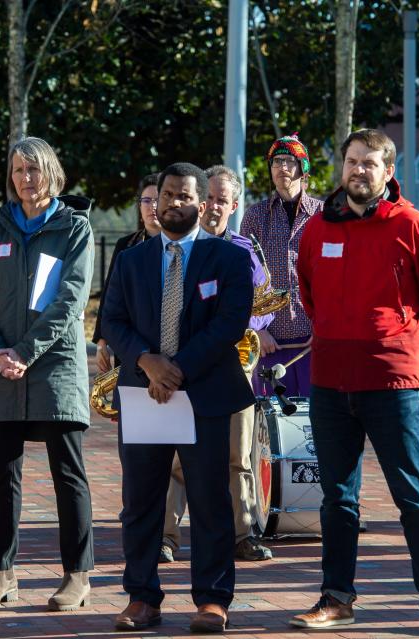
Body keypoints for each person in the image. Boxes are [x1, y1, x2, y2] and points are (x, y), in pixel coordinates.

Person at [293, 129, 419, 634]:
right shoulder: (318, 229)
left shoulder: (415, 227)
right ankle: (336, 598)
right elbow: (309, 297)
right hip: (329, 383)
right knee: (337, 499)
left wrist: (402, 346)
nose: (358, 171)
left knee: (413, 495)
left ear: (389, 172)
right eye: (351, 162)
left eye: (369, 163)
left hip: (392, 385)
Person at [101, 162, 254, 633]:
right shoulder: (131, 259)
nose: (173, 203)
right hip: (144, 394)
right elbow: (111, 321)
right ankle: (142, 597)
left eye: (184, 196)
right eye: (166, 195)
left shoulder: (226, 259)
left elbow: (230, 323)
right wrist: (147, 361)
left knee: (209, 500)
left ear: (203, 204)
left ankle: (212, 600)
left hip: (203, 394)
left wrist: (178, 368)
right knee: (141, 502)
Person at [0, 137, 95, 611]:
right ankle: (2, 575)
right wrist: (0, 351)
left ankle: (77, 577)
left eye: (34, 170)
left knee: (69, 475)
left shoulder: (74, 228)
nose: (25, 179)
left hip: (55, 369)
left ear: (51, 173)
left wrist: (26, 351)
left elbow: (70, 301)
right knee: (3, 477)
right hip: (2, 371)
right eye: (18, 170)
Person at [160, 165, 276, 564]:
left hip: (232, 365)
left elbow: (265, 307)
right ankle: (167, 537)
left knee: (237, 455)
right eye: (207, 197)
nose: (212, 206)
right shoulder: (177, 247)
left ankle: (242, 533)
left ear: (234, 206)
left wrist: (249, 325)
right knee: (175, 456)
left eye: (221, 200)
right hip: (184, 365)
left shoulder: (245, 251)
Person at [240, 133, 321, 397]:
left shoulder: (323, 216)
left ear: (303, 168)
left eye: (288, 161)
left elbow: (336, 279)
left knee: (314, 428)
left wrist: (325, 327)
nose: (282, 167)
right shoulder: (254, 216)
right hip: (269, 345)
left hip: (314, 343)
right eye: (276, 162)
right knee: (272, 429)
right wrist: (255, 328)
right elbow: (243, 279)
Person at [94, 173, 161, 374]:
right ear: (139, 207)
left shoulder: (179, 246)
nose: (152, 207)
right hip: (129, 343)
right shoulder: (126, 245)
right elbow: (109, 295)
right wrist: (102, 341)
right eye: (146, 200)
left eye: (158, 200)